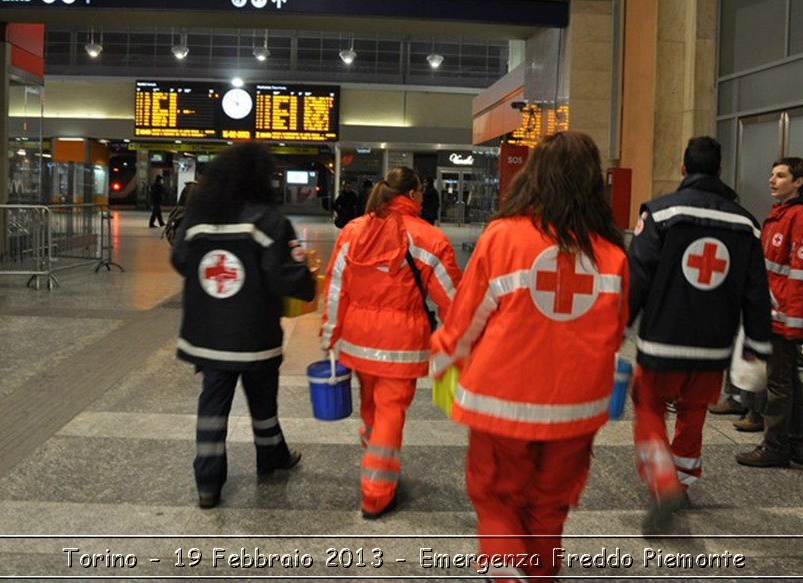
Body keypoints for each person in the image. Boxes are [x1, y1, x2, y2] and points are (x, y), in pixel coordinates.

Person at [430, 132, 627, 580]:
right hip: (576, 409)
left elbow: (465, 321)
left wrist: (443, 367)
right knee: (550, 505)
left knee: (497, 497)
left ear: (533, 177)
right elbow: (614, 332)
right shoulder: (611, 254)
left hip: (502, 401)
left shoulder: (502, 237)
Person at [627, 137, 772, 534]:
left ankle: (663, 481)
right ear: (721, 171)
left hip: (662, 341)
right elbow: (756, 292)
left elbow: (637, 276)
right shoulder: (746, 224)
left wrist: (616, 324)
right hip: (714, 347)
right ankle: (684, 481)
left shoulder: (660, 213)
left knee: (649, 408)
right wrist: (758, 346)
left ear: (683, 168)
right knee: (693, 413)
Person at [170, 143, 316, 509]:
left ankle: (207, 483)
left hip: (207, 335)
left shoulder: (199, 219)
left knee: (212, 407)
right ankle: (270, 457)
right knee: (263, 400)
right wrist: (308, 279)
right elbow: (285, 277)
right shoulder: (268, 222)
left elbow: (180, 260)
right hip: (254, 335)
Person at [321, 166, 461, 519]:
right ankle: (377, 493)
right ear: (414, 195)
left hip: (357, 341)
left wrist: (330, 333)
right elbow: (452, 300)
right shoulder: (431, 239)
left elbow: (337, 287)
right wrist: (460, 340)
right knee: (390, 414)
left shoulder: (354, 230)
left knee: (371, 406)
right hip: (400, 346)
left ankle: (373, 459)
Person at [737, 157, 803, 468]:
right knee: (787, 380)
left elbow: (801, 274)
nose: (772, 180)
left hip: (785, 316)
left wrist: (794, 322)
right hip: (774, 310)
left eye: (781, 176)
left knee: (778, 384)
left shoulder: (800, 218)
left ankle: (775, 447)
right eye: (772, 174)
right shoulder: (778, 216)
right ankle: (796, 444)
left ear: (799, 182)